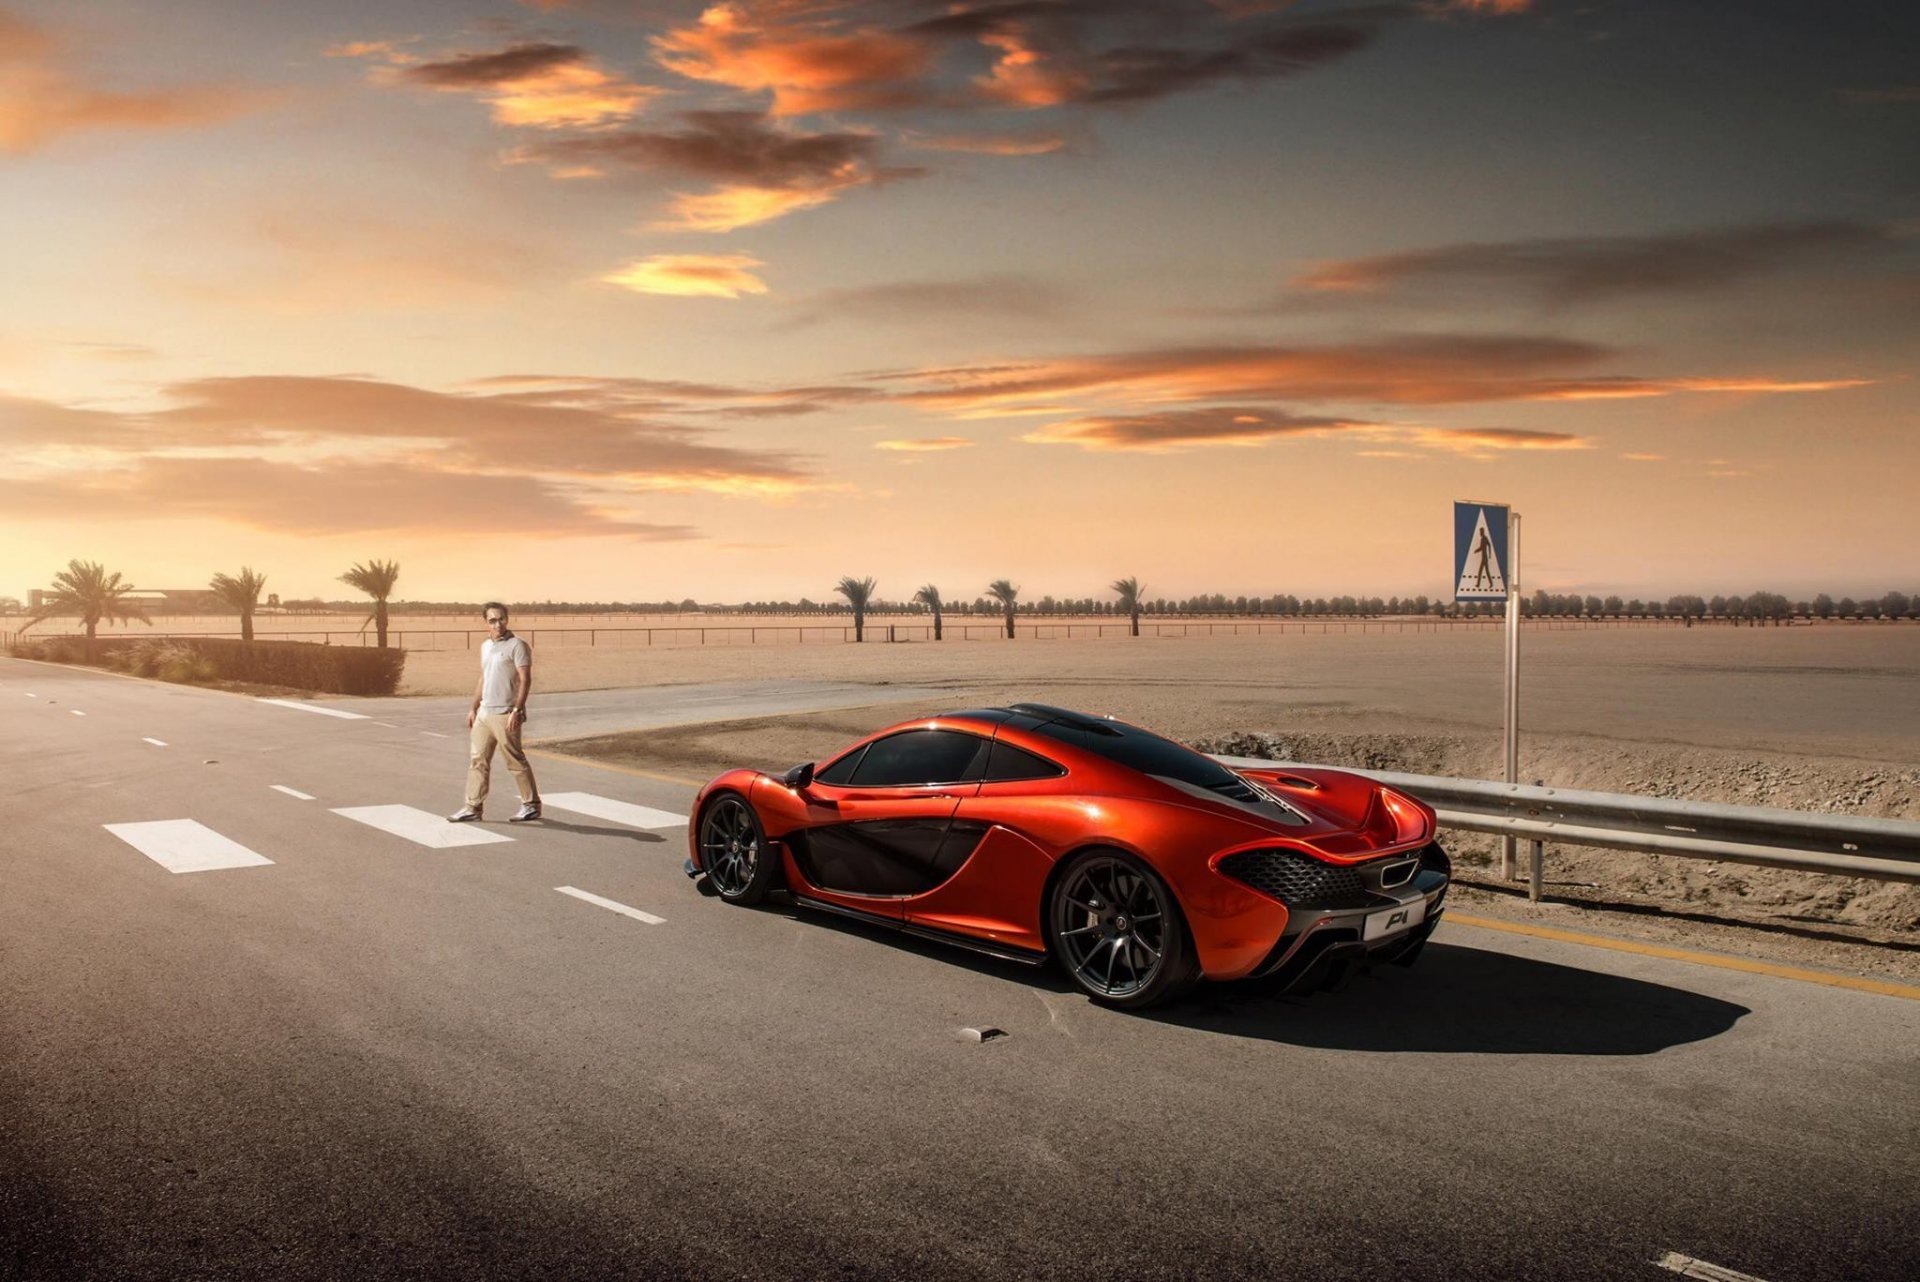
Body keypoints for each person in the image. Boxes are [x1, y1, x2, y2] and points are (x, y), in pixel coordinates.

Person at [448, 602, 541, 823]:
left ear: (507, 619)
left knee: (514, 760)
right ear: (486, 623)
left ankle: (531, 805)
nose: (497, 624)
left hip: (505, 713)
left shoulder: (517, 645)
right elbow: (483, 678)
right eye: (492, 620)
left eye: (501, 619)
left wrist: (517, 710)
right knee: (477, 760)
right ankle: (473, 807)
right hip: (484, 714)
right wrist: (473, 708)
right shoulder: (485, 647)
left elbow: (525, 679)